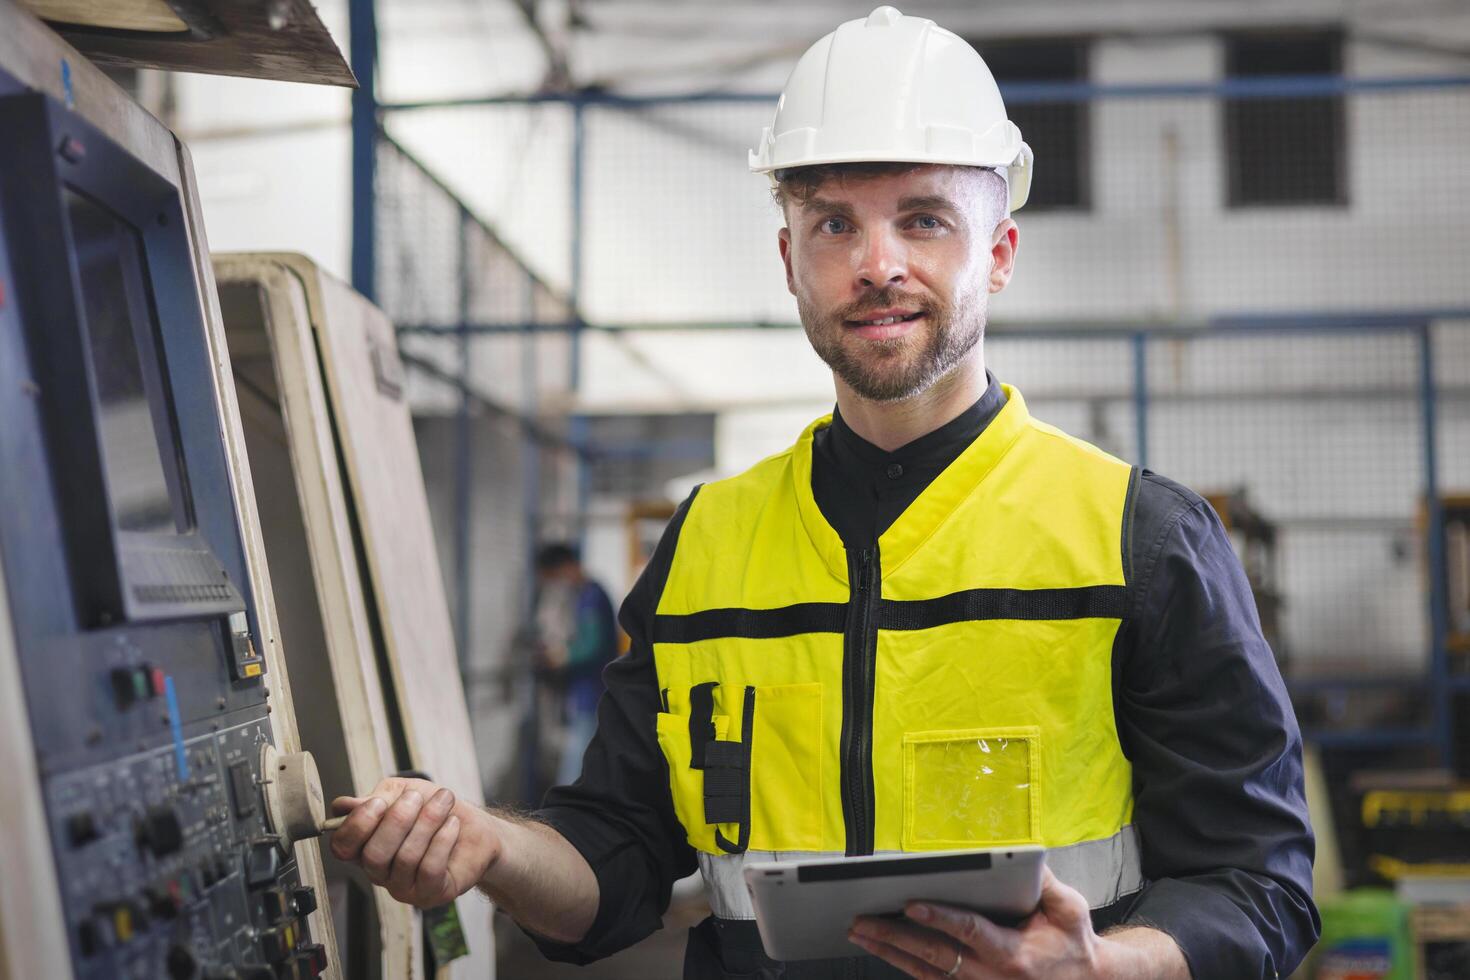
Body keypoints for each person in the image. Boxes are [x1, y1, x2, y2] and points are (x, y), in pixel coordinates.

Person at [327, 8, 1319, 978]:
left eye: (923, 220)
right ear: (790, 259)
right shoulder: (707, 544)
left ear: (1000, 255)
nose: (877, 264)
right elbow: (616, 855)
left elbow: (1258, 885)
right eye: (834, 222)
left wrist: (1106, 965)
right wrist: (489, 842)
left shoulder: (1136, 539)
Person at [531, 542, 620, 788]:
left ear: (566, 567)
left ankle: (559, 819)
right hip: (589, 691)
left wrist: (558, 656)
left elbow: (591, 645)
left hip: (592, 693)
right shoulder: (589, 593)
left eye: (555, 577)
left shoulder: (590, 596)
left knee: (576, 763)